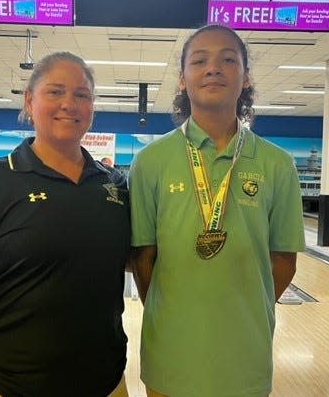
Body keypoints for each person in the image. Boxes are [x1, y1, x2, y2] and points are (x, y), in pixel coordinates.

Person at [0, 51, 130, 397]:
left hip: (107, 383)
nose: (69, 104)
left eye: (82, 95)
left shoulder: (113, 185)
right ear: (29, 99)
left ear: (92, 106)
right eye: (55, 91)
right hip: (11, 385)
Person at [129, 25, 305, 397]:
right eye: (199, 60)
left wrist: (243, 308)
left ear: (246, 78)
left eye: (228, 59)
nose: (214, 68)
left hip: (245, 357)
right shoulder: (150, 161)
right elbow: (144, 258)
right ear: (182, 79)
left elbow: (283, 260)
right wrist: (177, 309)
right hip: (170, 355)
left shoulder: (277, 164)